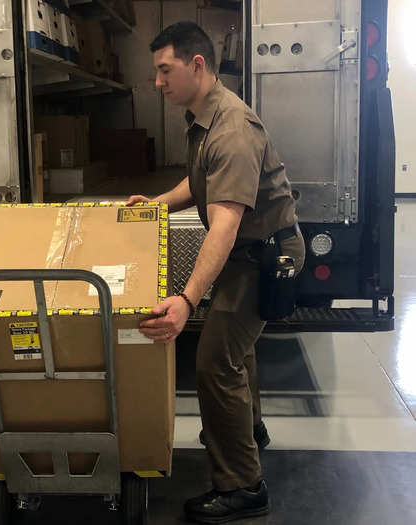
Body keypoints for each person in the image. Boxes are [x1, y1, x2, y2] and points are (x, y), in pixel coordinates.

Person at [128, 22, 306, 523]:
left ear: (197, 66)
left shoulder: (231, 128)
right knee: (234, 350)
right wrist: (159, 204)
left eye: (165, 71)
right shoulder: (203, 117)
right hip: (249, 250)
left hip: (265, 256)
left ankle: (243, 487)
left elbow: (223, 229)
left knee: (214, 361)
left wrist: (186, 299)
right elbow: (201, 180)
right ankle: (249, 430)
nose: (158, 82)